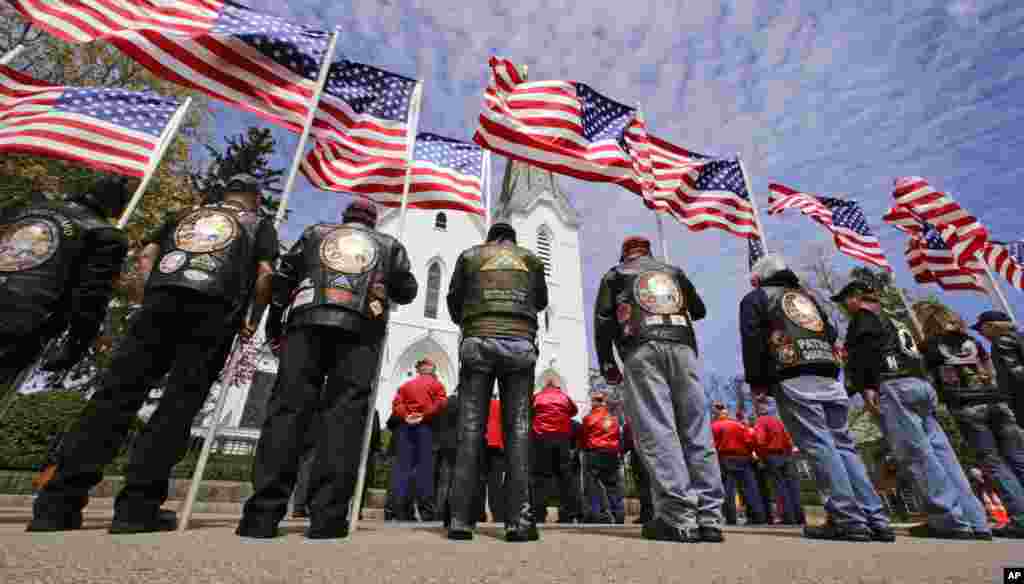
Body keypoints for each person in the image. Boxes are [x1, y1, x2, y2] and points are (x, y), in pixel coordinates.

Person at [29, 174, 276, 534]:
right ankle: (137, 507)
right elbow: (265, 273)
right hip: (215, 311)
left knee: (115, 394)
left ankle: (58, 503)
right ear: (254, 199)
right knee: (178, 405)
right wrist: (252, 319)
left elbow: (147, 255)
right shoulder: (258, 224)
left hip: (161, 303)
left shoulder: (188, 214)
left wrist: (151, 295)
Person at [237, 197, 416, 540]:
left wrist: (275, 326)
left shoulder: (315, 233)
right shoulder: (388, 245)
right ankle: (328, 518)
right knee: (345, 417)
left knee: (287, 411)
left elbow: (282, 280)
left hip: (306, 323)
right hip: (361, 330)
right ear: (373, 223)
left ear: (345, 218)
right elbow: (407, 290)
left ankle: (261, 516)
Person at [739, 254, 893, 542]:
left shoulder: (757, 298)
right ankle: (876, 517)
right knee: (844, 445)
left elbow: (752, 339)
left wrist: (758, 382)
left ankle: (847, 518)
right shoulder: (807, 297)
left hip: (793, 372)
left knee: (819, 444)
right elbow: (831, 331)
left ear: (758, 279)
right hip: (826, 371)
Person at [595, 236, 725, 543]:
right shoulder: (672, 271)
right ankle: (710, 517)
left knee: (658, 428)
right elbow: (699, 309)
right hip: (682, 349)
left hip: (642, 347)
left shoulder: (615, 275)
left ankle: (678, 516)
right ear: (649, 253)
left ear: (624, 255)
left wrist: (607, 364)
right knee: (696, 429)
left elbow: (604, 323)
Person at [836, 281, 989, 540]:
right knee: (943, 455)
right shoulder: (895, 319)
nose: (843, 306)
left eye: (844, 299)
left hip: (894, 384)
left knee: (917, 455)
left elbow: (865, 351)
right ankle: (975, 520)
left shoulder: (864, 318)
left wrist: (866, 386)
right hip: (919, 385)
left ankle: (949, 520)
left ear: (855, 297)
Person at [445, 222, 548, 542]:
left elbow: (453, 300)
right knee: (517, 431)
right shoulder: (530, 259)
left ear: (490, 238)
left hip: (478, 342)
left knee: (470, 429)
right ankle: (519, 522)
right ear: (513, 239)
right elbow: (541, 301)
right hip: (520, 344)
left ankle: (460, 520)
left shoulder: (470, 256)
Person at [1, 177, 131, 391]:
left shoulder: (29, 208)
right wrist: (76, 345)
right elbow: (92, 296)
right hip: (22, 323)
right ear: (115, 205)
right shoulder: (105, 235)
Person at [918, 306, 1024, 538]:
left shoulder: (930, 346)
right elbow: (990, 371)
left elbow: (927, 377)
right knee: (1018, 458)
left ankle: (1021, 518)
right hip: (997, 402)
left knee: (993, 463)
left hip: (966, 406)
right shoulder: (972, 341)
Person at [391, 358, 447, 521]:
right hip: (426, 427)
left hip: (406, 426)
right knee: (425, 470)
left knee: (403, 469)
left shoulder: (405, 386)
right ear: (432, 369)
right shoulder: (437, 385)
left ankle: (401, 510)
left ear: (419, 370)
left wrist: (407, 415)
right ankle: (426, 511)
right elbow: (441, 403)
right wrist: (424, 414)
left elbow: (397, 405)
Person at [530, 379, 579, 524]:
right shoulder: (564, 397)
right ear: (557, 387)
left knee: (541, 477)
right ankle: (568, 514)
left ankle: (539, 513)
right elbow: (574, 411)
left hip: (541, 438)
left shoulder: (537, 397)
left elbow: (530, 411)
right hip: (562, 438)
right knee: (565, 476)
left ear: (545, 387)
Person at [711, 406, 766, 525]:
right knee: (750, 488)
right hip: (744, 458)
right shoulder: (739, 426)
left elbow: (712, 446)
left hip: (725, 458)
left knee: (728, 490)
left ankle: (731, 518)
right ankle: (757, 517)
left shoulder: (714, 426)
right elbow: (751, 440)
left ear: (716, 415)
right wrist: (753, 454)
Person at [752, 398, 803, 525]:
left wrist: (761, 456)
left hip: (772, 456)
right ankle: (799, 516)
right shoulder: (777, 421)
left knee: (780, 487)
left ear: (758, 410)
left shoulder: (760, 422)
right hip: (786, 455)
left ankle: (788, 517)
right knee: (793, 487)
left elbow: (760, 441)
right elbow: (788, 439)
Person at [580, 391, 625, 524]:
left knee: (592, 485)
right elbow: (618, 436)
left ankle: (596, 514)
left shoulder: (588, 418)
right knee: (612, 485)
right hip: (611, 453)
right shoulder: (614, 419)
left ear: (595, 402)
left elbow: (584, 437)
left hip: (594, 453)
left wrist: (583, 448)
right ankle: (618, 514)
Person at [973, 311, 1024, 427]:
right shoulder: (1020, 336)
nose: (980, 334)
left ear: (991, 326)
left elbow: (1017, 371)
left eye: (980, 329)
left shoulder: (1001, 342)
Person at [434, 387, 460, 527]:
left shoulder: (446, 403)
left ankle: (439, 513)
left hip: (445, 444)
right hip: (459, 444)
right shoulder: (463, 403)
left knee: (444, 481)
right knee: (457, 481)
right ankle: (452, 514)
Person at [481, 392, 507, 522]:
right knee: (495, 483)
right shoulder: (500, 405)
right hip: (497, 445)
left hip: (482, 443)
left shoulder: (481, 405)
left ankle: (478, 513)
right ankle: (498, 514)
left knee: (479, 481)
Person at [622, 418, 653, 524]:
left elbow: (627, 442)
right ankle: (652, 513)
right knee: (651, 485)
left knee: (643, 486)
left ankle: (647, 514)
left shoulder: (631, 423)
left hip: (639, 456)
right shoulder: (653, 420)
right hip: (653, 455)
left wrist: (621, 452)